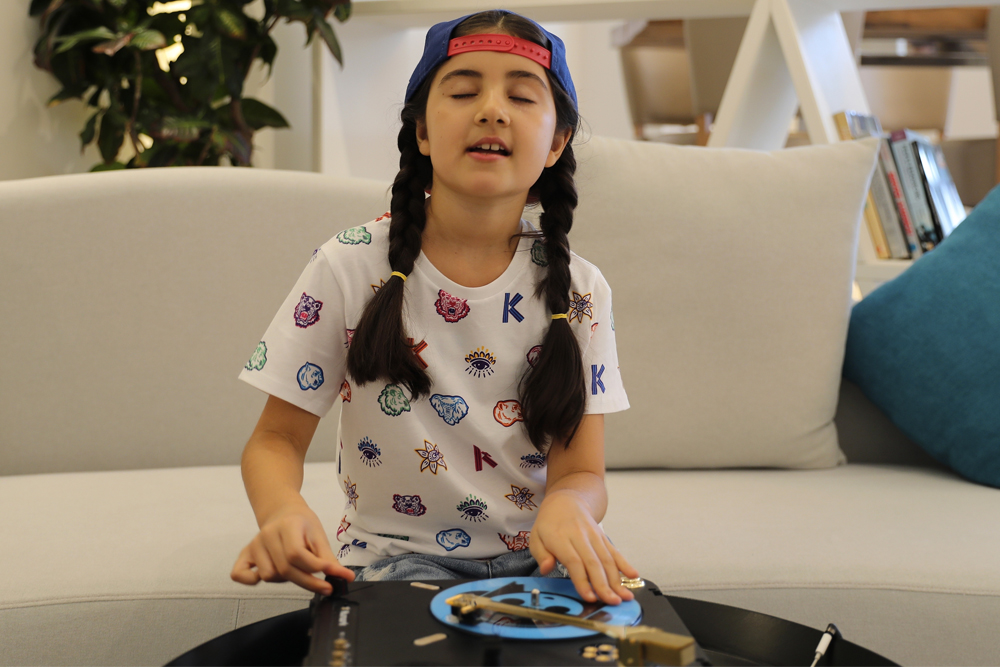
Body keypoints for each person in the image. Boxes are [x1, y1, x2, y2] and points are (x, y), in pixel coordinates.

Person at [231, 8, 639, 607]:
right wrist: (282, 511)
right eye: (465, 91)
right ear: (421, 132)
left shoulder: (581, 289)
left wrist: (571, 506)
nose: (492, 110)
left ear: (557, 142)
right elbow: (275, 440)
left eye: (521, 96)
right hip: (394, 563)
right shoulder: (349, 265)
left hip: (542, 559)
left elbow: (581, 472)